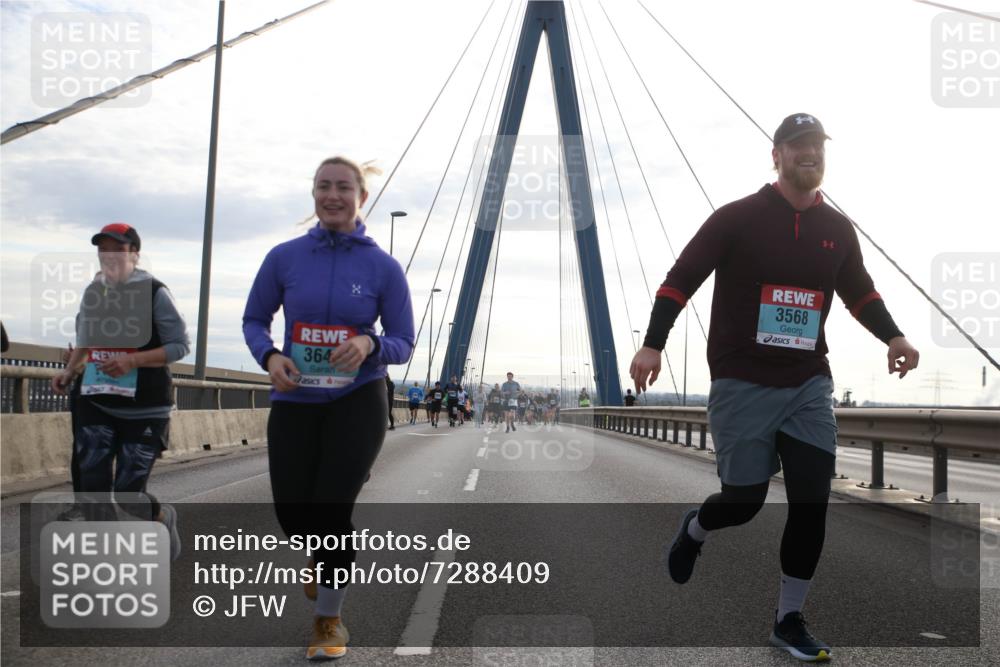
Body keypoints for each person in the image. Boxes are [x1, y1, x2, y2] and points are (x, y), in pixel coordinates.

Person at [630, 114, 919, 663]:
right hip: (742, 380)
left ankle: (789, 619)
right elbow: (679, 279)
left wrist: (895, 335)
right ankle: (696, 526)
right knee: (744, 502)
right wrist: (653, 344)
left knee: (812, 501)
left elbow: (859, 292)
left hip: (808, 382)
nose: (810, 153)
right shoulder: (737, 219)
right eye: (799, 145)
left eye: (817, 146)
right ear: (777, 154)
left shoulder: (837, 227)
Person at [242, 156, 415, 660]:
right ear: (313, 194)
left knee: (334, 509)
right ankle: (322, 563)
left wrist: (369, 344)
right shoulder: (284, 257)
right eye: (323, 187)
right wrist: (270, 355)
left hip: (357, 399)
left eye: (344, 187)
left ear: (362, 198)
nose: (332, 195)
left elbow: (404, 341)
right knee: (293, 514)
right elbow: (255, 319)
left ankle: (328, 621)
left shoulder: (383, 267)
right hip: (296, 398)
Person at [50, 223, 188, 558]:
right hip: (96, 401)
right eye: (103, 249)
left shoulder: (155, 292)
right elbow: (86, 338)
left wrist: (133, 361)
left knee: (129, 494)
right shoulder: (94, 292)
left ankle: (159, 516)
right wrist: (69, 371)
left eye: (119, 249)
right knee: (93, 488)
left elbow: (180, 346)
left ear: (135, 254)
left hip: (145, 407)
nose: (109, 256)